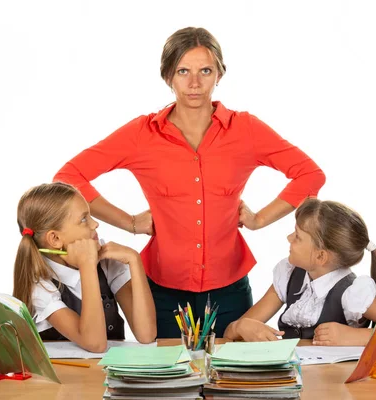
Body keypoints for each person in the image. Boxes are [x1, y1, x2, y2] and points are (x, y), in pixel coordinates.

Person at [53, 27, 326, 338]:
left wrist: (259, 219)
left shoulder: (246, 130)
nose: (194, 83)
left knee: (232, 378)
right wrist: (128, 222)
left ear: (219, 74)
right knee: (170, 378)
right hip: (162, 292)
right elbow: (68, 177)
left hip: (230, 292)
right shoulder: (142, 134)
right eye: (183, 71)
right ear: (168, 76)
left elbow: (310, 174)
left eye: (205, 71)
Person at [224, 198, 376, 346]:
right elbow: (229, 335)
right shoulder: (289, 276)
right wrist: (241, 326)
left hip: (334, 380)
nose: (289, 238)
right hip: (293, 378)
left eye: (297, 236)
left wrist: (358, 336)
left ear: (320, 256)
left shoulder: (352, 292)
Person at [13, 182, 156, 352]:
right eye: (83, 219)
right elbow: (95, 343)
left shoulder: (107, 262)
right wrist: (87, 265)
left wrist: (134, 260)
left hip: (107, 374)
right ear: (55, 239)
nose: (95, 224)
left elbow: (146, 335)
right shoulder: (40, 286)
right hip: (69, 377)